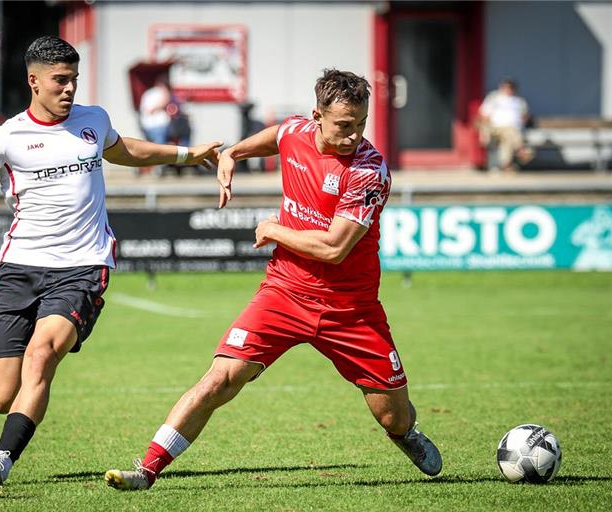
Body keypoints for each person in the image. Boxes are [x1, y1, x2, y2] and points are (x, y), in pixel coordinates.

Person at [0, 35, 221, 486]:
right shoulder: (6, 137)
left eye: (74, 80)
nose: (69, 89)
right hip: (18, 270)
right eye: (60, 80)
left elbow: (127, 151)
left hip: (82, 266)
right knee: (1, 395)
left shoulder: (93, 120)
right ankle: (11, 427)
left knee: (42, 356)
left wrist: (187, 153)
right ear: (34, 81)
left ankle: (2, 459)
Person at [104, 69, 442, 491]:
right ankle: (148, 469)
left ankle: (404, 433)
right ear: (316, 116)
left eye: (361, 124)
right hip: (284, 293)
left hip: (350, 309)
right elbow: (277, 135)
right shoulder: (296, 131)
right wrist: (232, 155)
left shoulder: (368, 171)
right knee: (219, 379)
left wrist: (274, 229)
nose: (354, 135)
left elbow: (334, 249)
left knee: (393, 415)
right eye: (343, 125)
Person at [478, 78, 534, 172]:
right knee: (510, 132)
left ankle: (505, 164)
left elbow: (525, 116)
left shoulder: (519, 101)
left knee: (507, 141)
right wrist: (483, 131)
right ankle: (521, 149)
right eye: (506, 87)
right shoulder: (494, 98)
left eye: (511, 88)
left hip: (513, 129)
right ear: (501, 87)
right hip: (495, 128)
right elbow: (484, 115)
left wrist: (523, 120)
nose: (508, 90)